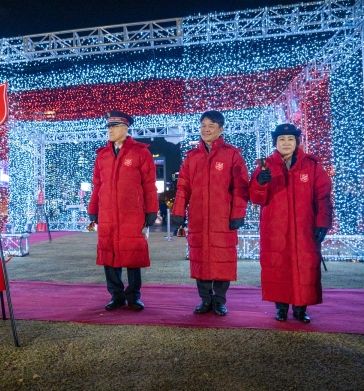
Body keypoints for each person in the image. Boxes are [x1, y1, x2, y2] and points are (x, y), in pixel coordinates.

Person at [249, 124, 332, 323]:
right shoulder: (264, 165)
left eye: (290, 139)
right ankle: (281, 307)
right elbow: (255, 198)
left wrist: (323, 223)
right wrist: (260, 182)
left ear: (297, 142)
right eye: (282, 139)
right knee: (278, 266)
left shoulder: (312, 166)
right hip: (275, 228)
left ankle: (300, 308)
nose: (286, 143)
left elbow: (323, 197)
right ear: (275, 142)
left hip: (304, 228)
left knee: (303, 266)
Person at [171, 110, 249, 316]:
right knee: (201, 259)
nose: (206, 129)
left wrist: (238, 213)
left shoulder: (232, 155)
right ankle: (205, 300)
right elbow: (183, 187)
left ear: (220, 129)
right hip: (198, 217)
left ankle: (220, 301)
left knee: (222, 259)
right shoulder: (192, 157)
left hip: (222, 218)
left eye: (211, 126)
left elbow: (240, 188)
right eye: (203, 125)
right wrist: (179, 211)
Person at [88, 110, 158, 311]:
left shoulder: (140, 152)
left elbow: (149, 184)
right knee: (109, 255)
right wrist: (93, 208)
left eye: (114, 127)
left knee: (133, 255)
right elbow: (97, 185)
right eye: (108, 127)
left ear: (125, 128)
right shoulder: (102, 155)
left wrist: (151, 210)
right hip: (108, 213)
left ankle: (134, 296)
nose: (110, 130)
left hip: (132, 213)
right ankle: (116, 295)